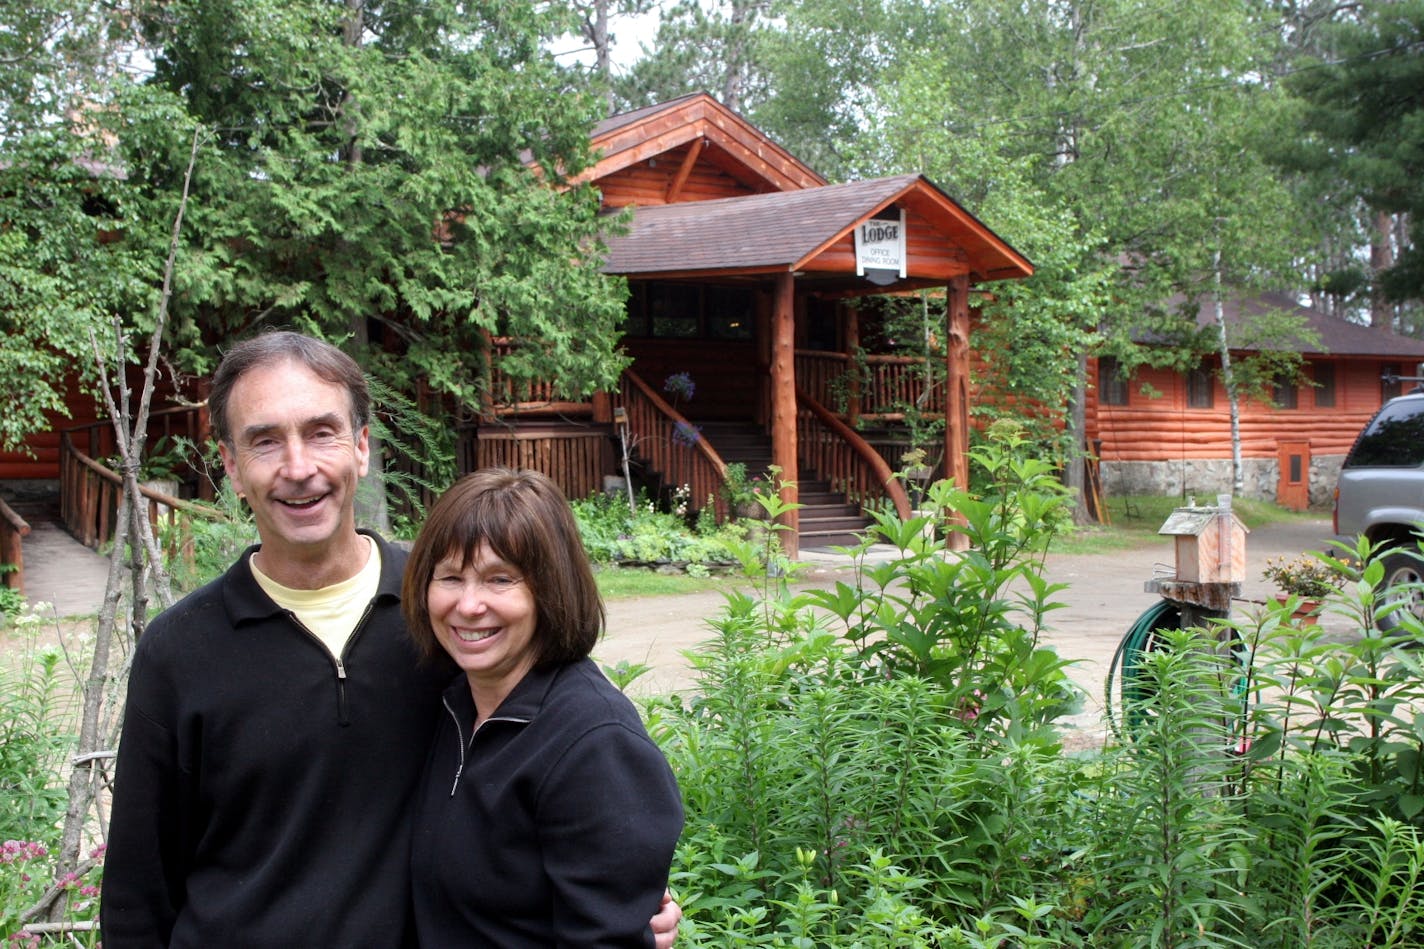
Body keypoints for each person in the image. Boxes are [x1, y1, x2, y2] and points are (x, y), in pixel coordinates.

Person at [101, 331, 682, 948]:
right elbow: (140, 891)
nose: (299, 468)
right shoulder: (180, 651)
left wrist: (615, 907)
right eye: (265, 441)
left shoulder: (449, 618)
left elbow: (562, 755)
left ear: (361, 447)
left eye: (322, 432)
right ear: (231, 466)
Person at [401, 468, 684, 947]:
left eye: (499, 579)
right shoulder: (453, 702)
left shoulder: (593, 744)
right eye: (450, 577)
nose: (469, 604)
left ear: (548, 589)